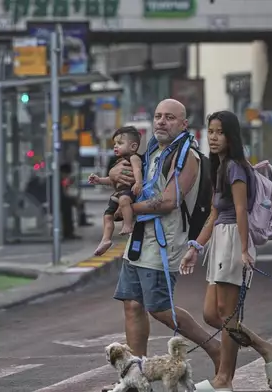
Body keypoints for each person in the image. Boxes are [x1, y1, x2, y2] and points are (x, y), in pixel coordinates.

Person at [102, 99, 221, 392]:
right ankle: (134, 378)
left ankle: (216, 349)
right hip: (138, 241)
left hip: (164, 243)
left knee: (160, 309)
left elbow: (169, 201)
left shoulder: (187, 155)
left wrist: (127, 209)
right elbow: (126, 172)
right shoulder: (154, 150)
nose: (161, 122)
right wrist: (114, 176)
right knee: (132, 305)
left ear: (183, 124)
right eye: (157, 116)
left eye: (169, 117)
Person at [179, 111, 272, 392]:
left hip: (232, 242)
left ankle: (224, 380)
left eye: (220, 132)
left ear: (231, 136)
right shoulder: (220, 166)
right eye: (211, 132)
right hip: (219, 241)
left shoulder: (236, 168)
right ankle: (266, 349)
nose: (213, 138)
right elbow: (214, 212)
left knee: (226, 315)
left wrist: (243, 250)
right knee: (212, 314)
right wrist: (196, 247)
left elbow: (240, 210)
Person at [88, 126, 143, 255]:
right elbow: (112, 180)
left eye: (120, 143)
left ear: (133, 147)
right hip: (117, 193)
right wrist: (99, 180)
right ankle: (106, 239)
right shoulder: (118, 162)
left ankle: (128, 224)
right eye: (114, 144)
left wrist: (138, 182)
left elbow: (137, 171)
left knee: (124, 200)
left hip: (128, 191)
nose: (115, 146)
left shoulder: (134, 158)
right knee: (107, 216)